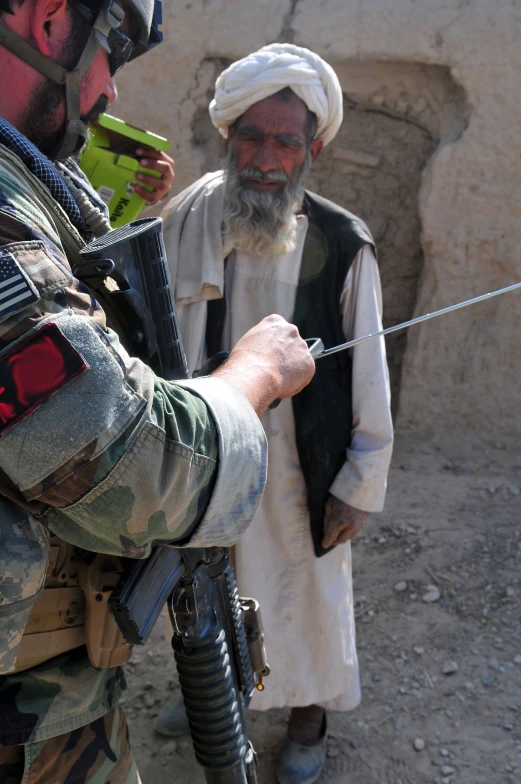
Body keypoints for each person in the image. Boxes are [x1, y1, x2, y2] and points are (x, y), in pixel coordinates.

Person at [0, 6, 315, 782]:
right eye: (113, 52)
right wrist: (254, 377)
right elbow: (135, 468)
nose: (107, 90)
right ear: (48, 21)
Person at [156, 43, 394, 784]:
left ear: (311, 149)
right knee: (207, 580)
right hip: (213, 448)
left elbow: (370, 366)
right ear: (229, 138)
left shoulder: (343, 241)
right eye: (250, 138)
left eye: (284, 142)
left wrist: (360, 477)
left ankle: (308, 717)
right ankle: (219, 697)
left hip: (301, 459)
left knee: (306, 593)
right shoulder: (194, 216)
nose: (264, 157)